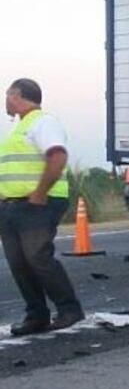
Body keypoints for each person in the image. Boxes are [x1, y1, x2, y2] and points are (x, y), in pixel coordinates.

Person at [0, 79, 84, 335]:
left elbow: (57, 156)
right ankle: (36, 315)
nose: (5, 100)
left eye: (7, 95)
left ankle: (69, 309)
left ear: (16, 95)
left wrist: (40, 192)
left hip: (39, 202)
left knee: (36, 256)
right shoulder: (20, 128)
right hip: (12, 205)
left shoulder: (43, 122)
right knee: (18, 262)